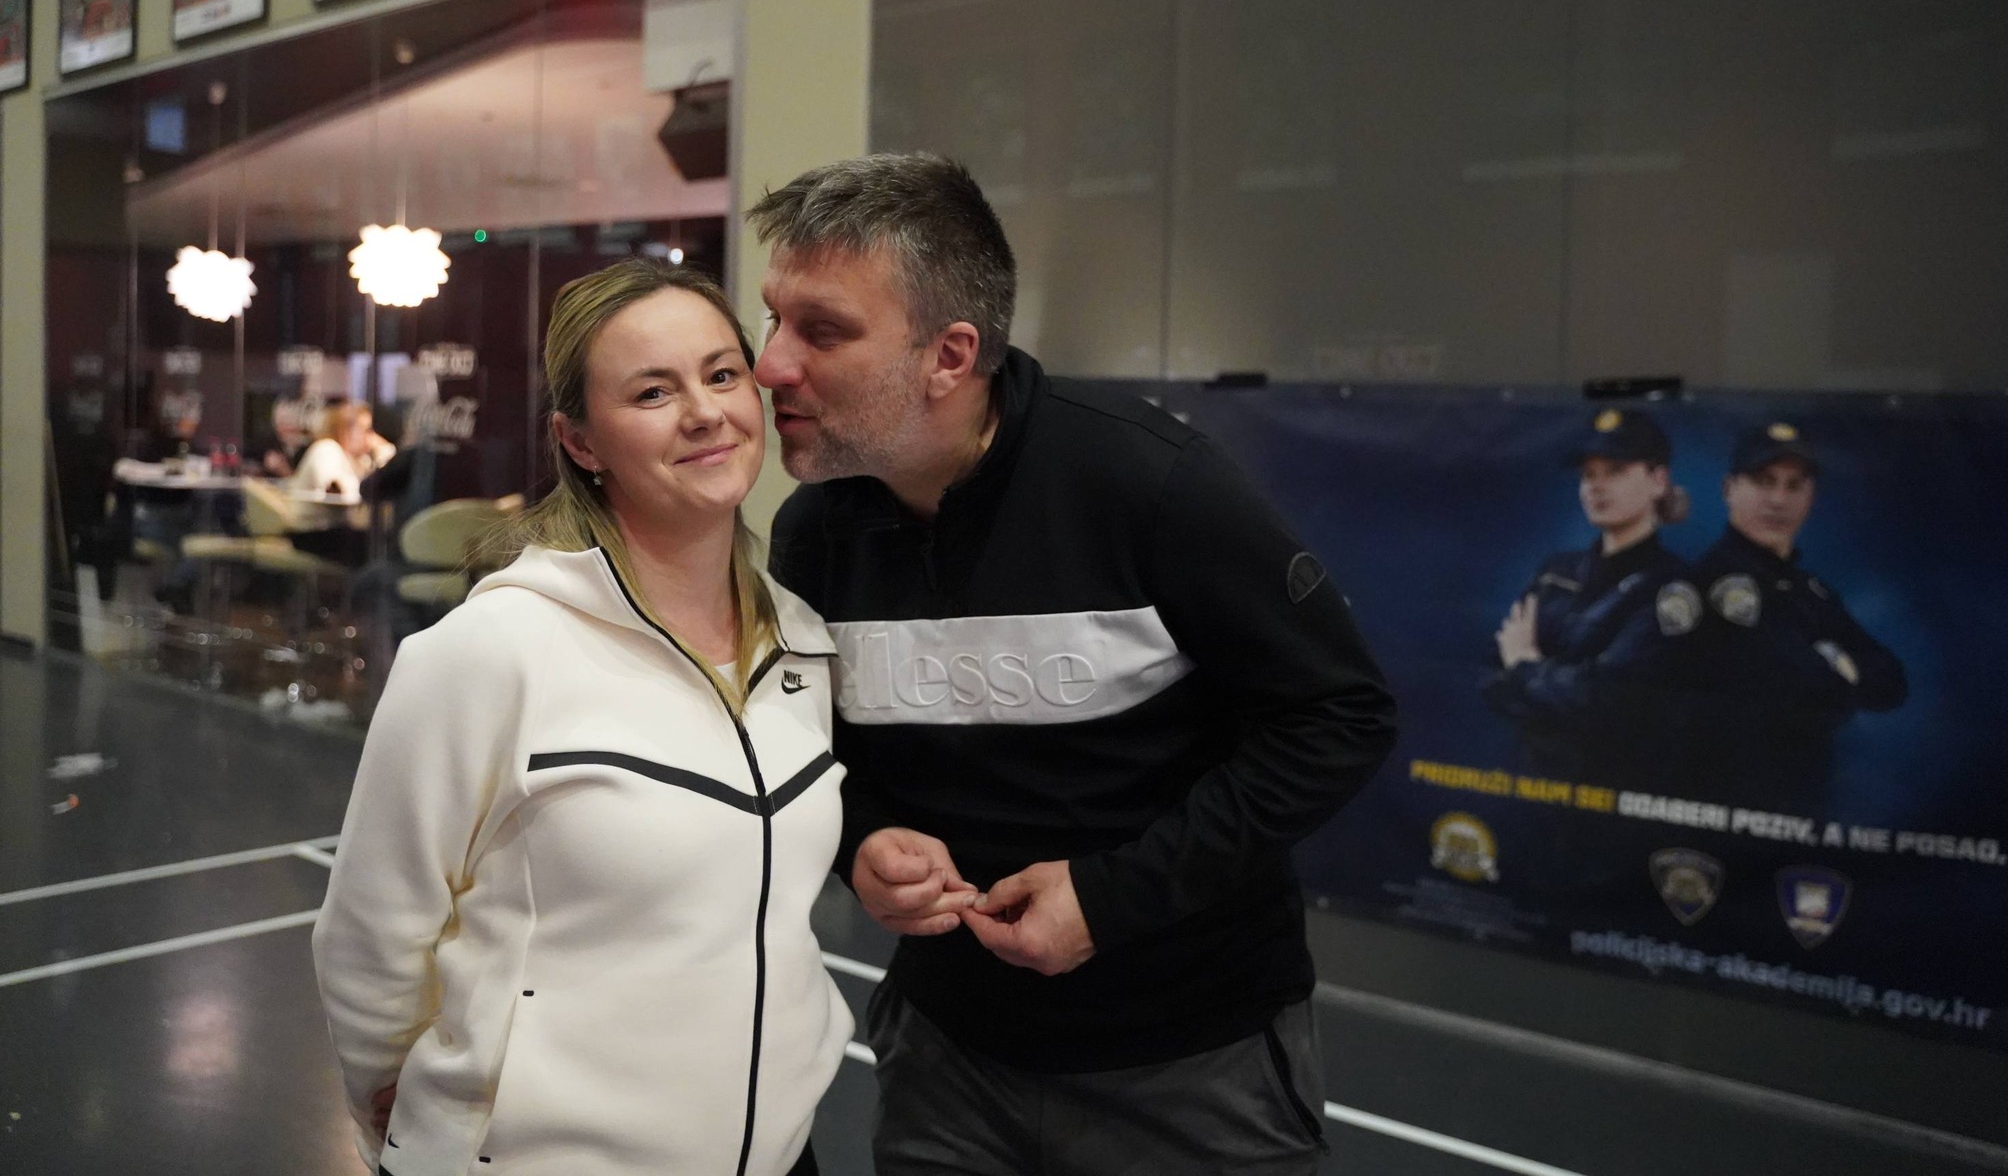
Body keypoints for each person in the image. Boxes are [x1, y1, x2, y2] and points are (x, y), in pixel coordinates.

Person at [751, 153, 1397, 1175]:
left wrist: (1110, 898)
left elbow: (1339, 716)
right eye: (773, 320)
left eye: (820, 331)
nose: (769, 365)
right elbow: (821, 756)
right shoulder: (814, 534)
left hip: (1194, 1064)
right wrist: (862, 843)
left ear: (949, 355)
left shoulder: (1149, 486)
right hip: (946, 1063)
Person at [311, 259, 849, 1176]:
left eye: (722, 373)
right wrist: (412, 1120)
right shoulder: (490, 650)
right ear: (582, 441)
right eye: (652, 391)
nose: (705, 412)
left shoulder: (798, 640)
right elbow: (370, 933)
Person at [1677, 421, 1907, 809]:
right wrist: (1841, 664)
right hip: (1725, 805)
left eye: (1794, 485)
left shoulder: (1812, 591)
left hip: (1800, 805)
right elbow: (1808, 687)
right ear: (1729, 489)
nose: (1779, 500)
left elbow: (1892, 682)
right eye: (1764, 481)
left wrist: (1834, 667)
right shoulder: (1712, 583)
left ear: (1810, 497)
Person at [1483, 407, 1693, 787]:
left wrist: (1526, 667)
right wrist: (1548, 684)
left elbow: (1609, 702)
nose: (1597, 486)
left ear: (1658, 480)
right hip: (1532, 785)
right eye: (1588, 474)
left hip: (1617, 792)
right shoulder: (1555, 571)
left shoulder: (1674, 587)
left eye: (1615, 471)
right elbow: (1492, 677)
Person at [286, 402, 395, 563]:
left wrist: (384, 451)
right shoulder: (326, 449)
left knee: (385, 540)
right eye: (366, 430)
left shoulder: (355, 459)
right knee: (378, 545)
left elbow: (387, 480)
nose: (370, 437)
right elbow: (343, 489)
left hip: (333, 530)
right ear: (345, 430)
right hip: (310, 532)